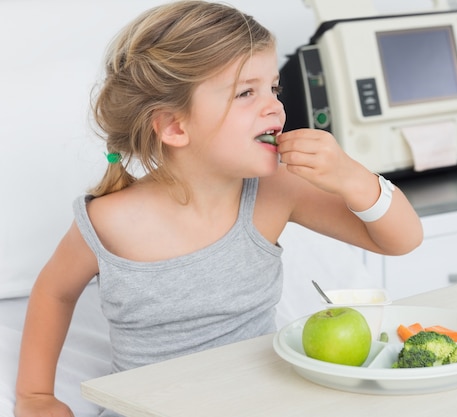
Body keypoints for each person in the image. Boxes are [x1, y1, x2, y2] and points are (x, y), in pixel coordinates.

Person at [14, 2, 423, 416]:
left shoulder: (275, 192)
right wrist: (36, 396)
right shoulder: (110, 221)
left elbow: (402, 240)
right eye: (247, 92)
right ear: (174, 126)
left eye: (273, 88)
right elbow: (54, 292)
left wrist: (354, 177)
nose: (275, 107)